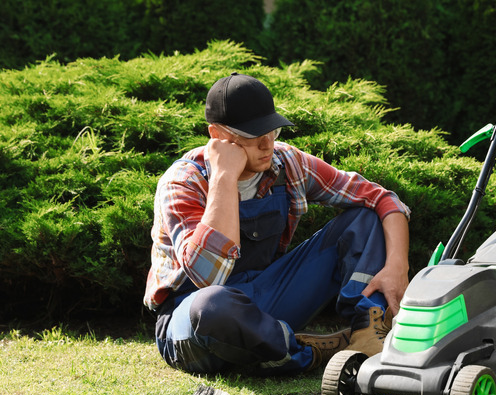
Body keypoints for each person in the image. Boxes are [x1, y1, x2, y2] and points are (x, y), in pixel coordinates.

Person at [144, 72, 411, 375]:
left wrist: (397, 267)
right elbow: (208, 278)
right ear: (217, 135)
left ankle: (367, 334)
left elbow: (383, 199)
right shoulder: (183, 182)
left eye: (272, 130)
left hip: (265, 297)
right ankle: (307, 353)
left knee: (363, 219)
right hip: (191, 320)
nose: (267, 144)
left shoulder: (287, 164)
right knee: (213, 306)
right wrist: (224, 178)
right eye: (252, 135)